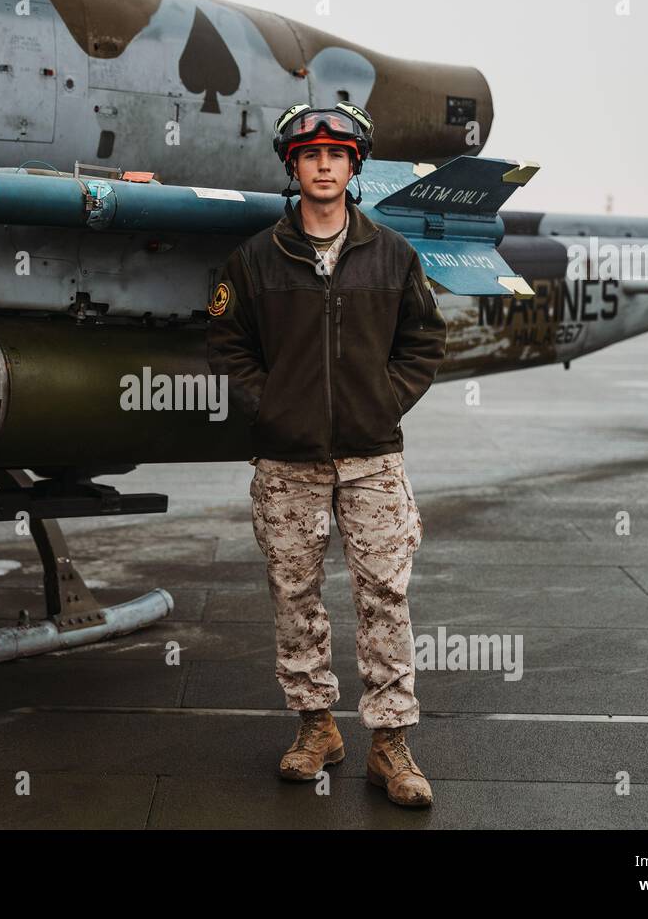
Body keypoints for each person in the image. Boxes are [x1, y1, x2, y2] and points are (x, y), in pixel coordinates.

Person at [206, 102, 447, 807]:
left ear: (353, 167)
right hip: (288, 462)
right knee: (295, 595)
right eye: (310, 154)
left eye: (336, 155)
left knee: (385, 596)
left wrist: (380, 400)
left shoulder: (393, 256)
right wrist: (277, 405)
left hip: (373, 460)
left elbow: (425, 342)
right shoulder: (254, 261)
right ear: (293, 165)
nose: (322, 165)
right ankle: (316, 727)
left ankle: (391, 747)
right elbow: (226, 346)